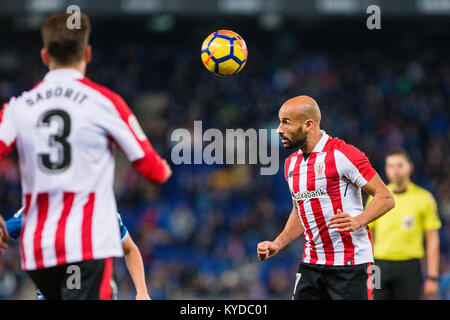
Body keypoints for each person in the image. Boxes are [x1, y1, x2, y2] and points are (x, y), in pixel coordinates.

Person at [0, 12, 171, 300]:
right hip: (87, 246)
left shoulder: (18, 107)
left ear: (45, 56)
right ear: (87, 53)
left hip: (39, 252)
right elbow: (154, 171)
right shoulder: (105, 102)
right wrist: (163, 167)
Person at [257, 95, 395, 300]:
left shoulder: (343, 154)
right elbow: (300, 212)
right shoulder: (291, 165)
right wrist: (278, 243)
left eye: (286, 122)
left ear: (308, 125)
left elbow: (385, 197)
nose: (279, 129)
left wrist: (359, 220)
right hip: (311, 264)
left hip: (351, 266)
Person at [2, 208, 151, 300]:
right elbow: (4, 232)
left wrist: (142, 292)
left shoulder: (103, 210)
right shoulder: (39, 206)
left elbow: (129, 249)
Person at [367, 149, 441, 299]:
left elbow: (432, 239)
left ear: (410, 167)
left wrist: (432, 277)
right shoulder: (376, 198)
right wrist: (366, 270)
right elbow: (368, 236)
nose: (395, 170)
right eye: (391, 166)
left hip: (409, 265)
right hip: (379, 264)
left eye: (400, 165)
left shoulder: (424, 198)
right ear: (386, 169)